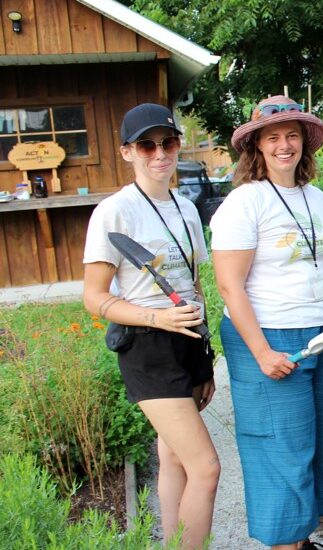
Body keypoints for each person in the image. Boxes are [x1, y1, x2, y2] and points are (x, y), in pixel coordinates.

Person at [210, 96, 323, 550]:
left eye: (292, 135)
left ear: (304, 144)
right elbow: (230, 287)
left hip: (321, 333)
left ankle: (301, 539)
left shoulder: (316, 197)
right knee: (281, 449)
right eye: (274, 137)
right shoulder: (244, 202)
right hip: (269, 335)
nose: (284, 145)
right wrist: (261, 352)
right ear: (257, 147)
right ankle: (284, 544)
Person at [82, 103, 219, 550]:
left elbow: (194, 285)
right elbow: (95, 298)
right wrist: (157, 317)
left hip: (187, 343)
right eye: (147, 145)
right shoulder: (114, 213)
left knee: (175, 458)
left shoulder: (186, 208)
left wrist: (205, 356)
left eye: (169, 142)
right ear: (127, 152)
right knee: (207, 467)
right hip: (148, 347)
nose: (160, 153)